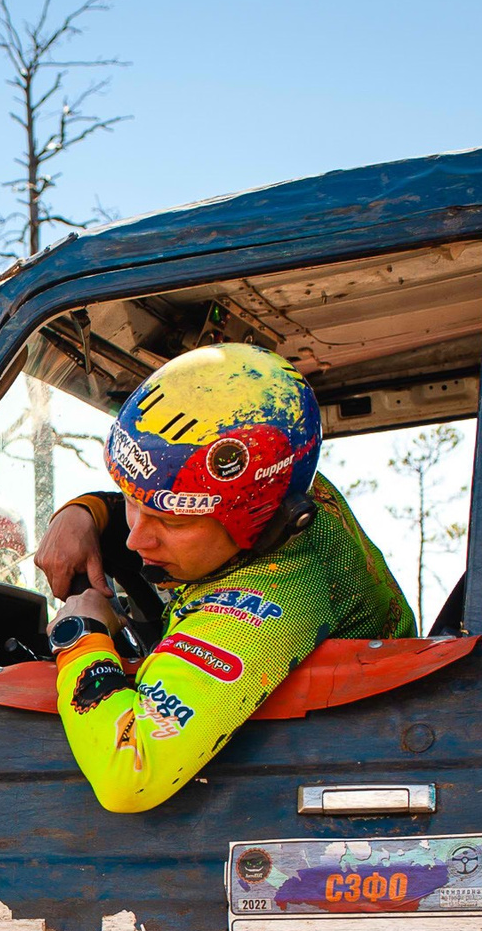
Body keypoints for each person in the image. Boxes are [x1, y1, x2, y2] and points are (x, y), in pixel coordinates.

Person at [36, 343, 414, 812]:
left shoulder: (269, 605)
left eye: (169, 523)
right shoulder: (279, 475)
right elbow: (172, 498)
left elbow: (128, 776)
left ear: (258, 520)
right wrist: (86, 513)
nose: (135, 539)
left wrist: (81, 637)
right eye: (131, 501)